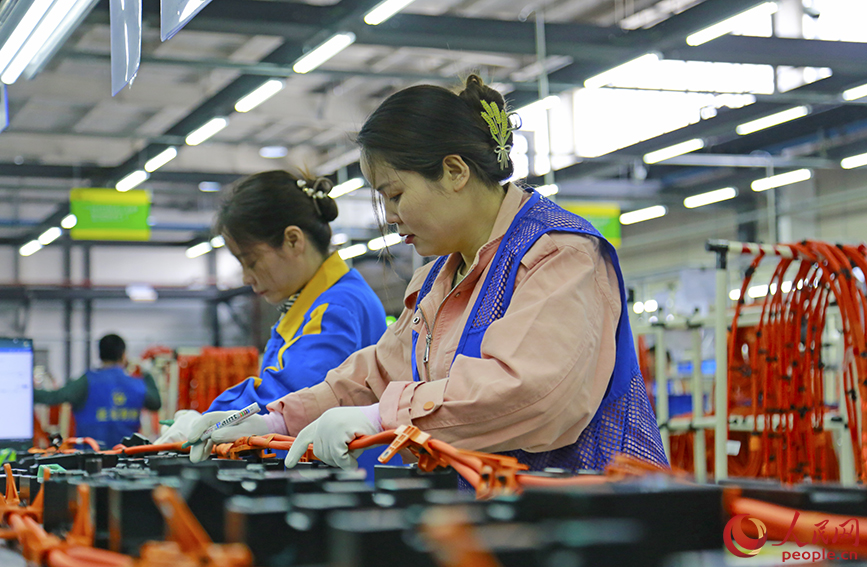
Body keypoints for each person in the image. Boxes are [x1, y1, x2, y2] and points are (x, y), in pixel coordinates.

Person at [187, 76, 667, 474]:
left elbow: (532, 394)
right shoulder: (441, 275)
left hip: (592, 516)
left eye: (394, 195)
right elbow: (377, 371)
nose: (390, 217)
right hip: (494, 515)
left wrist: (383, 417)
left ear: (454, 171)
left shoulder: (559, 255)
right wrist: (275, 416)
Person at [158, 170, 389, 464]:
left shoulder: (337, 307)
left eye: (251, 261)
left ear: (293, 240)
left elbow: (292, 391)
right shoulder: (312, 304)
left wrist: (210, 416)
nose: (246, 276)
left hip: (353, 483)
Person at [34, 334, 161, 447]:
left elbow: (55, 397)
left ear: (99, 354)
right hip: (126, 458)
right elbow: (156, 403)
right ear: (123, 355)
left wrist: (25, 392)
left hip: (90, 459)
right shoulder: (137, 384)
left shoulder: (86, 382)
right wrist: (146, 373)